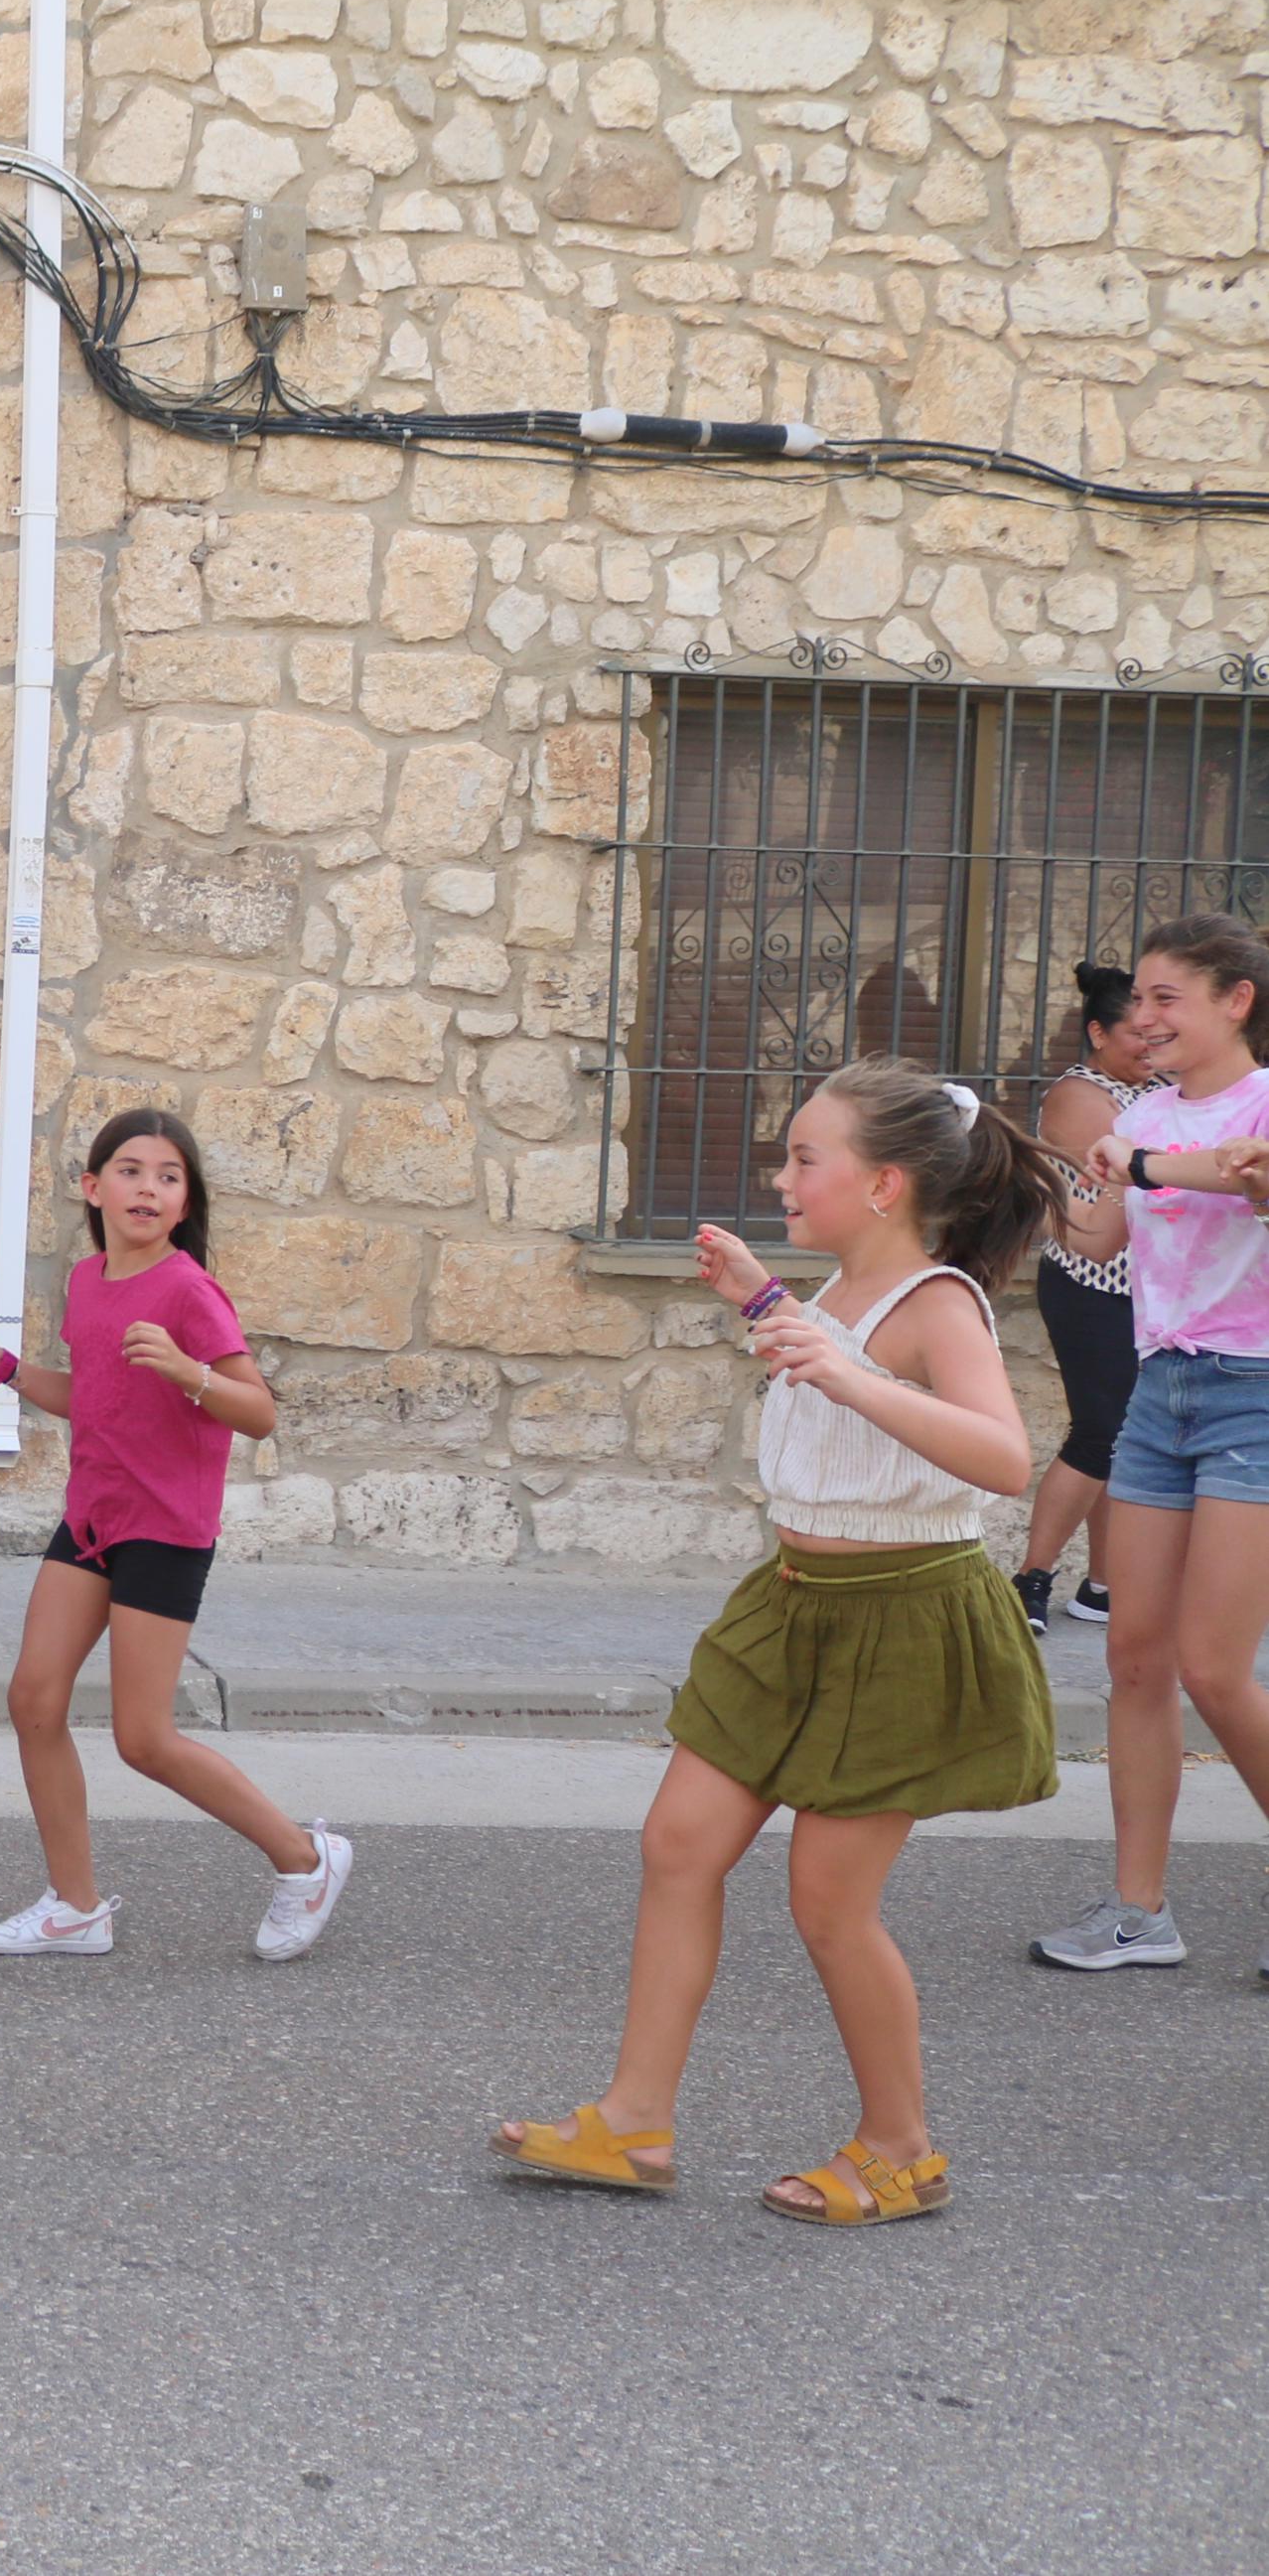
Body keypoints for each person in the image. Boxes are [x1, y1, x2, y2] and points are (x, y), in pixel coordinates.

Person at [497, 1059, 1060, 2226]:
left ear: (883, 1184)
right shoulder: (834, 1291)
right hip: (794, 1604)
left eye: (805, 1156)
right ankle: (632, 2123)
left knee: (826, 1903)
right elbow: (822, 1359)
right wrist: (760, 1299)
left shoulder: (939, 1302)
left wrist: (850, 1380)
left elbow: (1003, 1459)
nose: (781, 1172)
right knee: (677, 1843)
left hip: (904, 1619)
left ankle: (900, 2147)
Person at [0, 1108, 352, 1962]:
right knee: (33, 1700)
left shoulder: (188, 1291)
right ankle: (75, 1906)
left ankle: (304, 1859)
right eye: (130, 1170)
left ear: (183, 1200)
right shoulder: (88, 1281)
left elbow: (260, 1414)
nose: (149, 1187)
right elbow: (92, 1394)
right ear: (93, 1189)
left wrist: (187, 1369)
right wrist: (1, 1368)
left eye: (168, 1176)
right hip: (92, 1518)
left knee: (144, 1738)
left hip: (164, 1529)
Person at [1034, 914, 1269, 1976]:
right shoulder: (1149, 1117)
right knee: (1134, 1659)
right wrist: (1051, 1185)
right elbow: (1096, 1236)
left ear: (1235, 1000)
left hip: (1251, 1395)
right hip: (1156, 1392)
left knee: (1214, 1671)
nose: (1144, 1018)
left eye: (1166, 998)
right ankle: (1138, 1913)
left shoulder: (1254, 1105)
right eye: (1138, 1003)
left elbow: (1246, 1176)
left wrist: (1138, 1159)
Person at [1016, 961, 1164, 1637]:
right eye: (1136, 1032)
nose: (1149, 1043)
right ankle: (1030, 1576)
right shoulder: (1079, 1093)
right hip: (1089, 1285)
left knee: (1124, 1437)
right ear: (1098, 1033)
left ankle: (1102, 1586)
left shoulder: (1159, 1087)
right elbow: (1103, 1196)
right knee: (1098, 1431)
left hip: (1144, 1290)